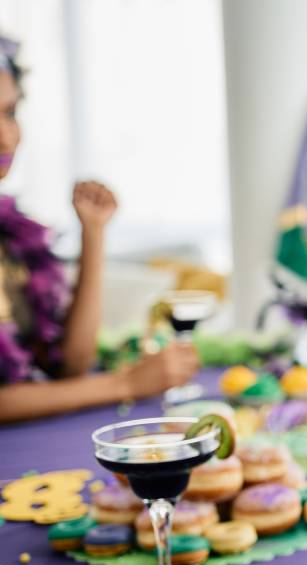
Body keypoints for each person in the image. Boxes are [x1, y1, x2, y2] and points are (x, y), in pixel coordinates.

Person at [0, 37, 198, 423]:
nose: (5, 135)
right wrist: (125, 384)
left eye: (9, 112)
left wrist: (94, 234)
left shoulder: (9, 235)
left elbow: (70, 365)